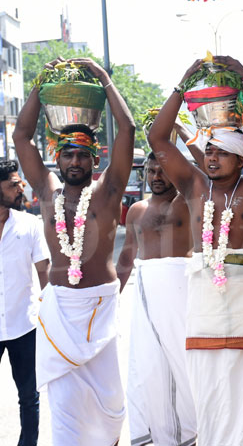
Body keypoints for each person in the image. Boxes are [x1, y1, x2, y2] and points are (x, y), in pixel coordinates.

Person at [148, 55, 243, 446]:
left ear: (240, 156)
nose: (211, 157)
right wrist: (181, 84)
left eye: (221, 151)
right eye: (208, 150)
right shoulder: (194, 186)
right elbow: (159, 139)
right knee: (209, 400)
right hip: (205, 304)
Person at [13, 57, 135, 446]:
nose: (76, 161)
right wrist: (41, 83)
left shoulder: (108, 192)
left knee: (109, 411)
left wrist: (103, 79)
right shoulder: (47, 191)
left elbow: (128, 130)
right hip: (60, 310)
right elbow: (21, 136)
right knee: (64, 411)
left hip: (100, 310)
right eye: (68, 155)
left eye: (83, 155)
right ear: (58, 158)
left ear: (94, 158)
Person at [116, 152, 197, 446]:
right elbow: (127, 255)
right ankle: (157, 434)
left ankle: (192, 432)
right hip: (148, 294)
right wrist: (112, 297)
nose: (156, 177)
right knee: (148, 366)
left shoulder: (189, 202)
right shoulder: (137, 210)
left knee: (186, 364)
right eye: (151, 171)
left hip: (181, 291)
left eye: (163, 171)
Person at [0, 160, 50, 446]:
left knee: (29, 398)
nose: (21, 189)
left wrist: (51, 318)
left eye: (20, 183)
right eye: (12, 185)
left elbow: (44, 274)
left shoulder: (30, 225)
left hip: (24, 326)